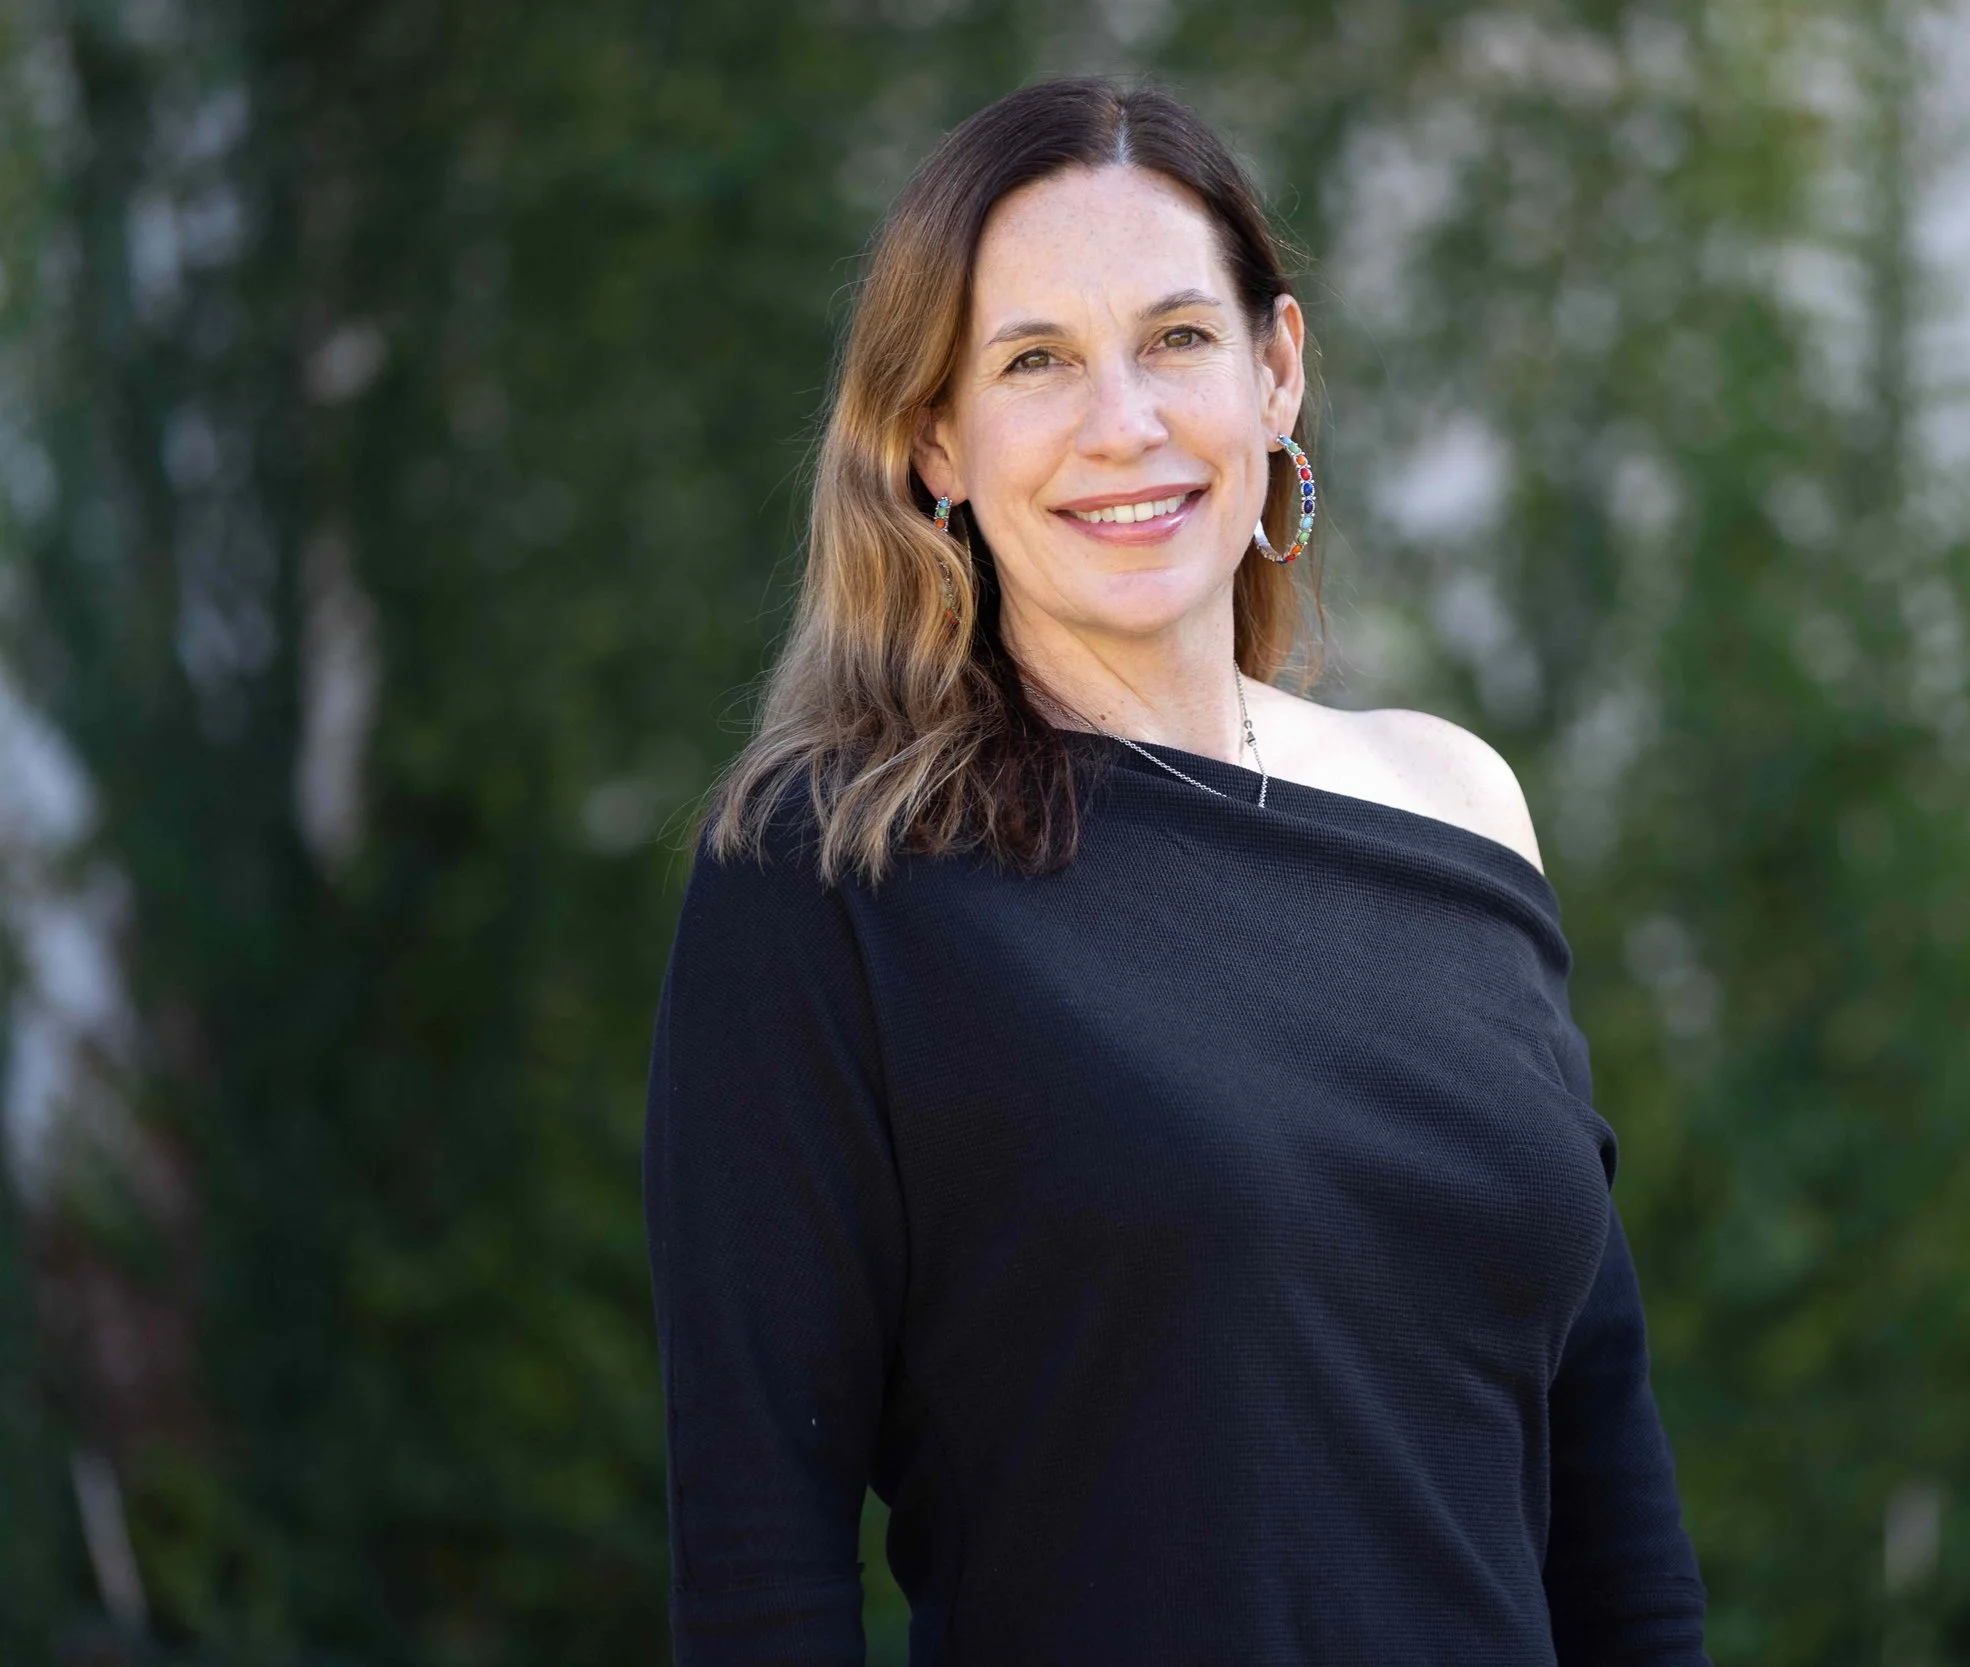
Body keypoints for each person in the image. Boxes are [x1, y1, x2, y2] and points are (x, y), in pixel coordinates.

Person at [642, 75, 1710, 1666]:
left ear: (1277, 372)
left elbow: (1610, 1509)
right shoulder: (829, 876)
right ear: (934, 440)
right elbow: (757, 1567)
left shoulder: (1460, 805)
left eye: (1178, 338)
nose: (1123, 423)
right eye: (1036, 361)